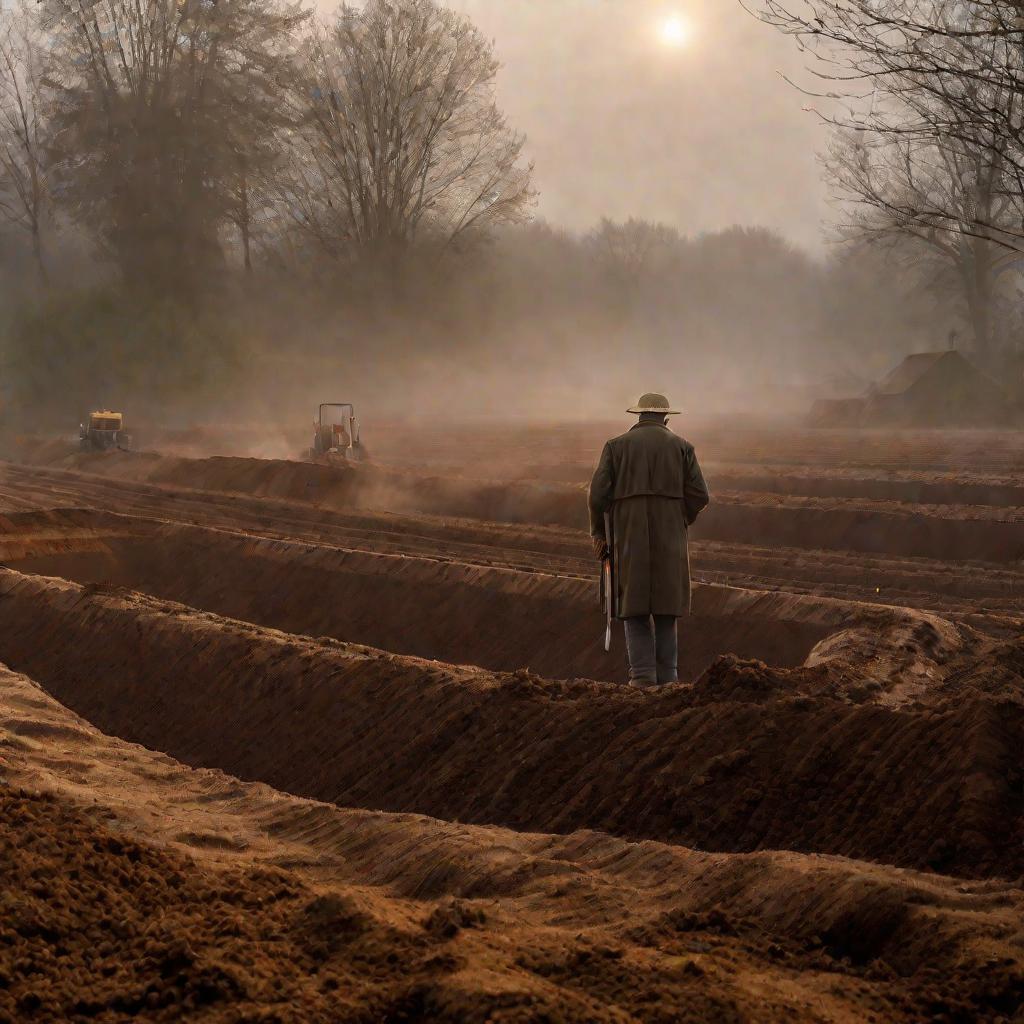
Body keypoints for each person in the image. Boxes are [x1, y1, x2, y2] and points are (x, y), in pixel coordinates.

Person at [588, 393, 710, 688]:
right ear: (666, 419)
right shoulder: (683, 447)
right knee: (667, 611)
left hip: (629, 537)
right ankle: (669, 680)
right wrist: (681, 519)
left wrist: (599, 535)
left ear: (639, 417)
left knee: (634, 608)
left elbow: (596, 496)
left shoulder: (615, 447)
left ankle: (642, 678)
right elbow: (700, 496)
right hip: (671, 538)